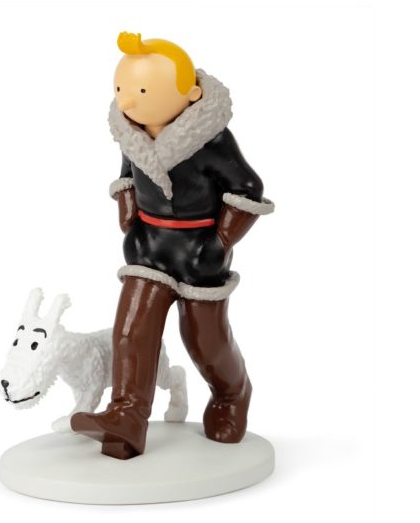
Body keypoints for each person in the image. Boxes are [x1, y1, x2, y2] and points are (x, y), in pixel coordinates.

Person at [70, 32, 274, 460]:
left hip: (199, 252)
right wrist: (128, 214)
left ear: (191, 94)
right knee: (132, 328)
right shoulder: (132, 135)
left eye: (142, 92)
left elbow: (248, 188)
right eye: (121, 88)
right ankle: (127, 416)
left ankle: (231, 394)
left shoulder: (211, 139)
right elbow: (128, 174)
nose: (127, 101)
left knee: (204, 340)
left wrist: (222, 240)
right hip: (149, 248)